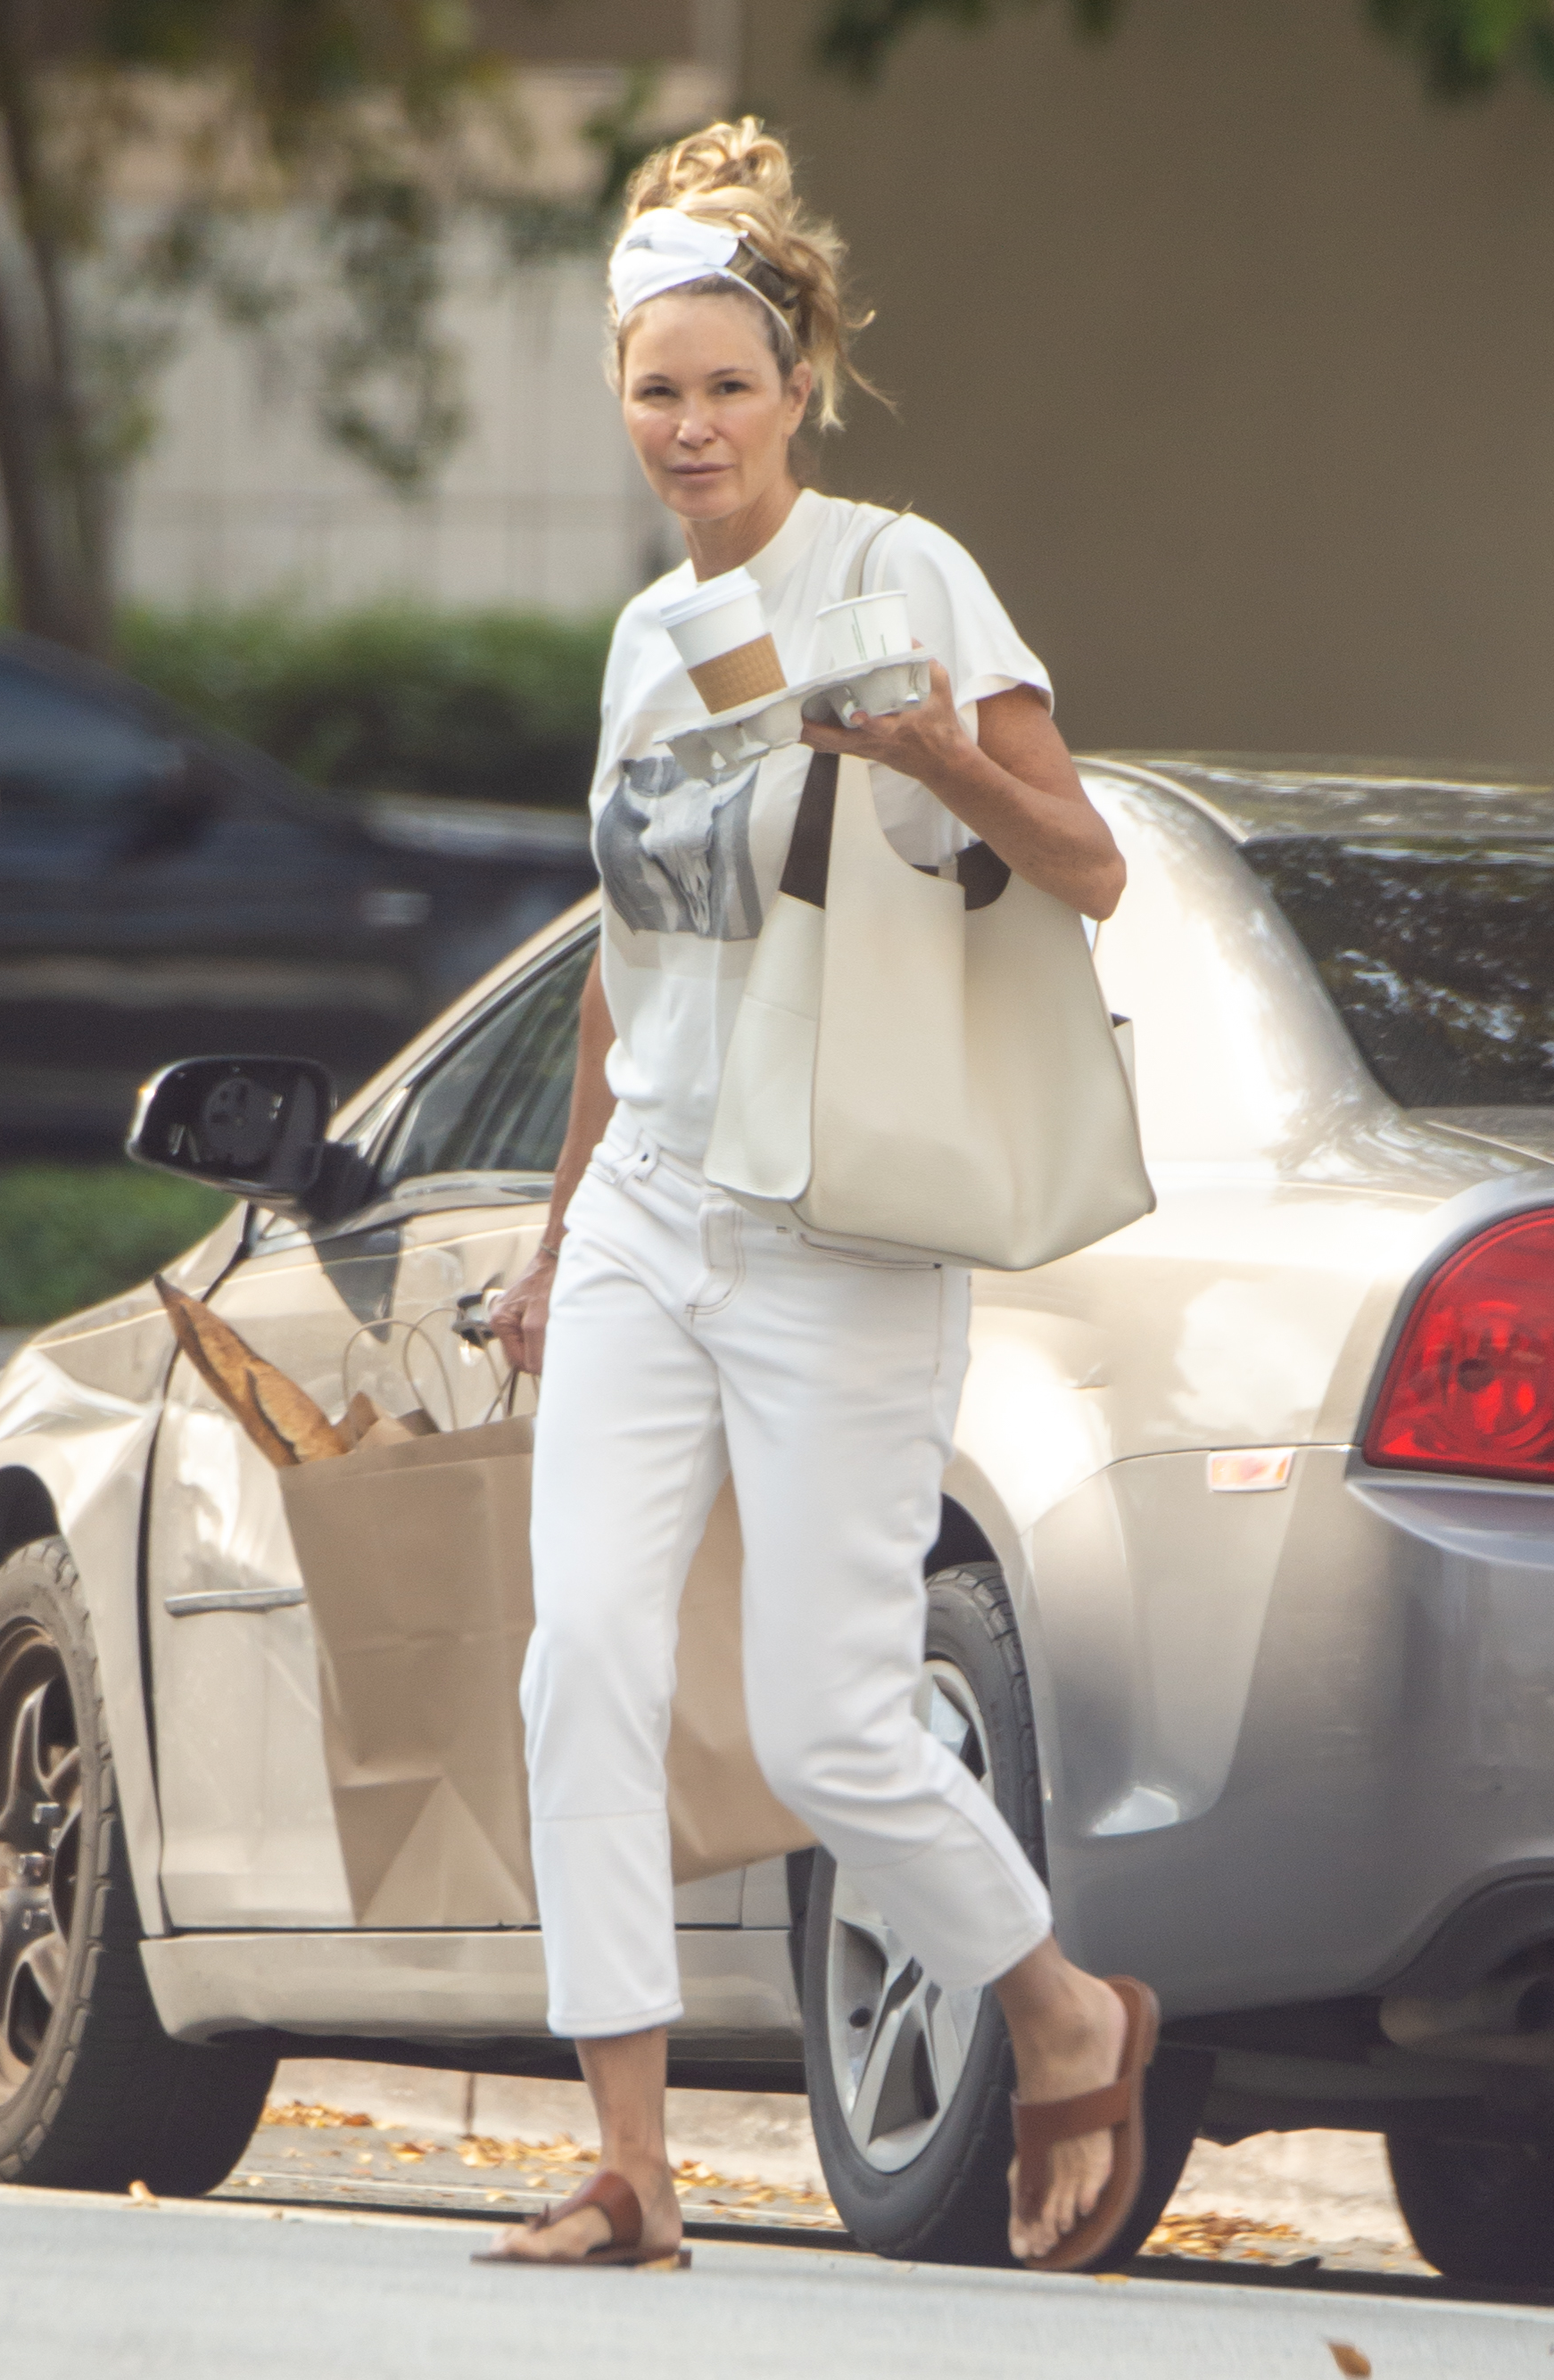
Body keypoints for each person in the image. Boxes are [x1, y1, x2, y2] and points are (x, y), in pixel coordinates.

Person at [484, 118, 1154, 2274]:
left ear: (798, 384)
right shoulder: (640, 641)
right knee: (582, 1656)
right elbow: (628, 962)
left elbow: (1086, 862)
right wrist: (562, 1230)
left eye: (726, 386)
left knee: (830, 1723)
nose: (690, 427)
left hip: (840, 1227)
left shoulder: (904, 572)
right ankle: (630, 2160)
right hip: (654, 1208)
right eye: (653, 389)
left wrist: (928, 754)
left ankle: (1060, 2005)